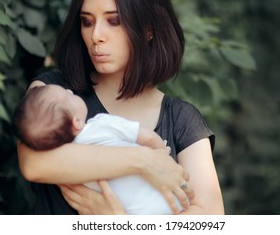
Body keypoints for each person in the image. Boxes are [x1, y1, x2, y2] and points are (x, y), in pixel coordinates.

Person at [17, 0, 224, 215]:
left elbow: (211, 217)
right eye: (87, 21)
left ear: (149, 30)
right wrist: (144, 162)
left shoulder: (182, 120)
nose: (96, 36)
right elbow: (34, 163)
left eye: (114, 20)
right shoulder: (54, 92)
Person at [13, 84, 183, 214]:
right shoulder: (102, 123)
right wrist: (161, 155)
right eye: (69, 95)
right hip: (170, 201)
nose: (71, 92)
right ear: (77, 122)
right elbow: (148, 137)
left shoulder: (69, 166)